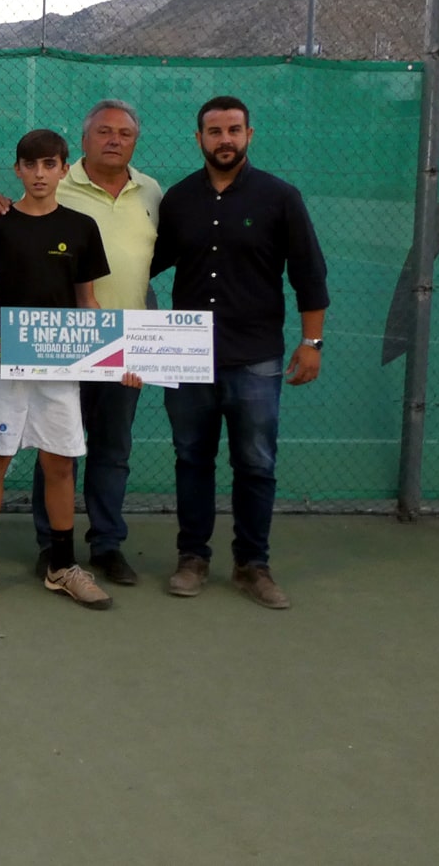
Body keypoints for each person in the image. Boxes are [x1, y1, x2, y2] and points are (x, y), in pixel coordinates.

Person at [151, 95, 328, 609]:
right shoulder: (178, 200)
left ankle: (253, 565)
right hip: (184, 358)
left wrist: (312, 343)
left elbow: (310, 276)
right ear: (199, 139)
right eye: (214, 131)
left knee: (255, 464)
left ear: (250, 134)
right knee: (191, 459)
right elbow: (142, 261)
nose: (224, 139)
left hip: (256, 358)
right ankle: (192, 558)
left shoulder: (280, 197)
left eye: (233, 130)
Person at [0, 99, 162, 585]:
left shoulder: (151, 192)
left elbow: (152, 263)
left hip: (118, 345)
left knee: (112, 449)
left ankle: (106, 544)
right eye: (103, 131)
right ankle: (52, 546)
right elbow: (10, 234)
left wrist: (139, 342)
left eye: (123, 133)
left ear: (134, 142)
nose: (113, 140)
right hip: (53, 349)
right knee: (54, 449)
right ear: (81, 147)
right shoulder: (49, 196)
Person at [0, 129, 126, 610]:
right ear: (17, 170)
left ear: (64, 169)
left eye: (50, 165)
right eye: (30, 166)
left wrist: (116, 354)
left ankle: (62, 566)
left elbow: (87, 302)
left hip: (59, 368)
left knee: (59, 463)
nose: (40, 175)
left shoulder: (81, 227)